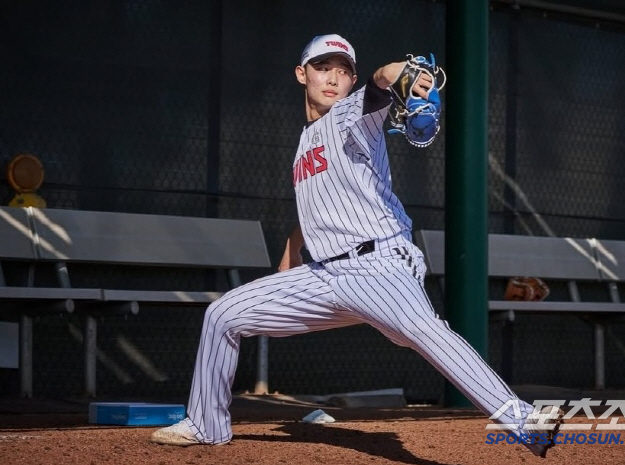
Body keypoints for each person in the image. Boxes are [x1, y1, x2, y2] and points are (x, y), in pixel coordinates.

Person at [151, 33, 562, 457]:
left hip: (378, 263)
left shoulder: (351, 113)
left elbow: (383, 78)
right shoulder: (304, 143)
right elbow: (312, 211)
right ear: (301, 74)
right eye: (323, 67)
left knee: (422, 331)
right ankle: (206, 424)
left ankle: (524, 420)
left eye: (343, 70)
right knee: (223, 314)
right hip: (325, 274)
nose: (334, 77)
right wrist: (287, 266)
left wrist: (405, 73)